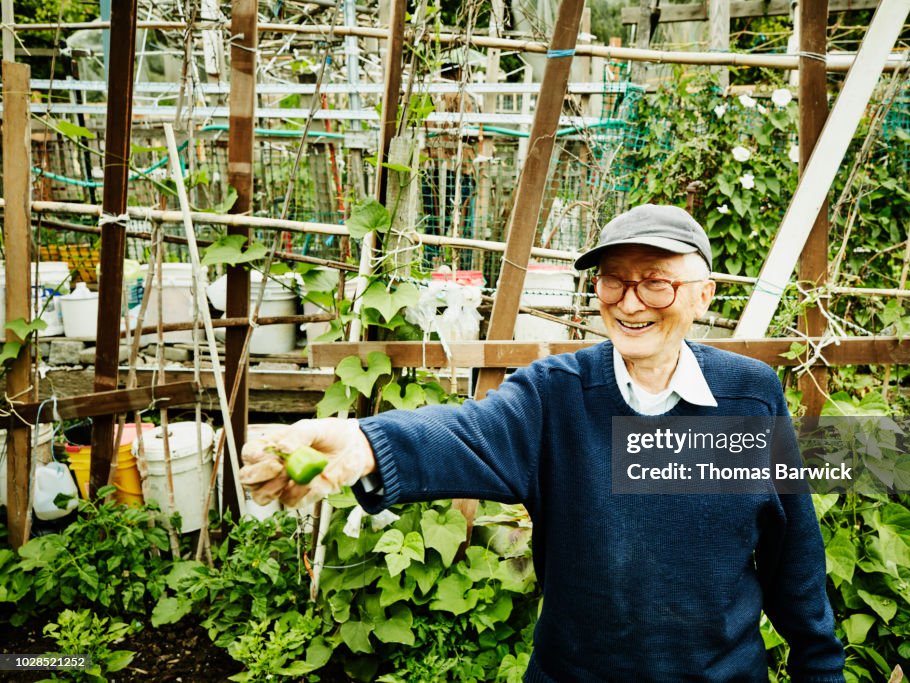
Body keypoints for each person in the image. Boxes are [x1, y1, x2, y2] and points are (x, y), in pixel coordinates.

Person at [240, 204, 847, 682]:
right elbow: (470, 433)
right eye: (614, 282)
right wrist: (362, 441)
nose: (630, 302)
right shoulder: (557, 395)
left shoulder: (749, 397)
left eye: (655, 283)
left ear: (702, 294)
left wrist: (819, 668)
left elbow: (791, 553)